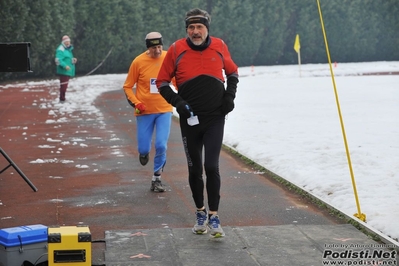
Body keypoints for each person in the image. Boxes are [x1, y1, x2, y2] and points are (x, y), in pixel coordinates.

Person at [156, 8, 239, 237]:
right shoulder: (176, 49)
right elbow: (162, 82)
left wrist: (229, 97)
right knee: (194, 169)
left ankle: (214, 216)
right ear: (186, 30)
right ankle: (200, 212)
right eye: (191, 28)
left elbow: (232, 73)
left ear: (207, 28)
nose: (195, 31)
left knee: (211, 166)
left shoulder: (220, 46)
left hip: (215, 117)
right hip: (190, 118)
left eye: (199, 27)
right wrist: (178, 102)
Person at [123, 32, 174, 193]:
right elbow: (127, 86)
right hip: (144, 112)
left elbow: (177, 81)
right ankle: (143, 153)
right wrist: (137, 103)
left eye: (159, 47)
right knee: (144, 148)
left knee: (161, 145)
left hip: (164, 109)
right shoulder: (138, 62)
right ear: (148, 48)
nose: (157, 51)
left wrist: (187, 98)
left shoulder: (168, 58)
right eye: (154, 48)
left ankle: (157, 178)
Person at [55, 35, 77, 102]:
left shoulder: (68, 49)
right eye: (66, 42)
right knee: (63, 86)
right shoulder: (61, 49)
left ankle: (63, 98)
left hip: (68, 71)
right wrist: (65, 66)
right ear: (63, 42)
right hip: (63, 71)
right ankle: (62, 99)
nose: (68, 43)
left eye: (69, 41)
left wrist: (73, 60)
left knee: (65, 85)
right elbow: (58, 60)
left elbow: (68, 59)